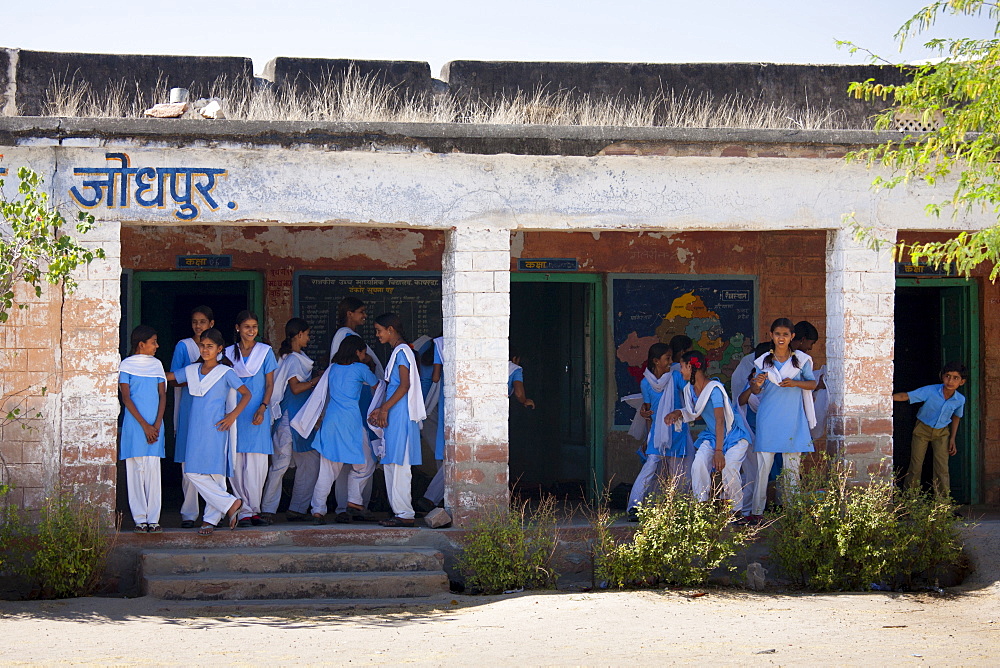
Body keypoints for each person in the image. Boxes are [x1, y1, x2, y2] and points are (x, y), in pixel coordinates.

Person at [740, 318, 817, 520]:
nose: (781, 338)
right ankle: (757, 512)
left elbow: (812, 384)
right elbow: (756, 390)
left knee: (792, 466)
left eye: (785, 334)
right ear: (771, 336)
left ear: (792, 337)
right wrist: (757, 383)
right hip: (768, 418)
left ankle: (793, 513)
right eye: (777, 334)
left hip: (793, 417)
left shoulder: (800, 360)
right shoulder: (763, 361)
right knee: (763, 467)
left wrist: (795, 383)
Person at [179, 328, 251, 535]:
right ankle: (230, 503)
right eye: (202, 345)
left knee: (216, 474)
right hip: (196, 429)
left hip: (218, 428)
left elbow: (246, 394)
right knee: (192, 471)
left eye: (210, 346)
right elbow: (169, 377)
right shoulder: (192, 371)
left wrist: (232, 416)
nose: (205, 349)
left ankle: (210, 520)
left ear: (220, 349)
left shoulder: (226, 372)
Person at [666, 349, 753, 514]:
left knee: (729, 468)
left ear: (692, 368)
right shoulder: (690, 390)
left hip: (733, 435)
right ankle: (702, 507)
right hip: (713, 435)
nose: (681, 371)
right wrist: (677, 413)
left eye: (683, 367)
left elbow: (720, 420)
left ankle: (736, 511)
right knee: (698, 464)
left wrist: (719, 451)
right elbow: (697, 414)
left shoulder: (714, 389)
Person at [310, 335, 381, 523]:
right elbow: (378, 387)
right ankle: (354, 501)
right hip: (351, 422)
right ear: (357, 352)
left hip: (331, 421)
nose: (365, 356)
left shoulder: (332, 369)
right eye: (364, 353)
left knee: (327, 471)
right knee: (366, 464)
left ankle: (317, 511)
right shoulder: (361, 369)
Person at [368, 313, 426, 527]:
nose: (377, 335)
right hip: (394, 413)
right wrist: (381, 409)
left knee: (399, 464)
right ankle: (399, 512)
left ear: (390, 329)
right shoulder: (399, 352)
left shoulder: (402, 352)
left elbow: (403, 386)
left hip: (400, 414)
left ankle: (404, 513)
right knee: (391, 461)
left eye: (379, 330)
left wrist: (384, 408)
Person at [261, 318, 321, 523]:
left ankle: (297, 508)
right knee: (281, 464)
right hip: (288, 418)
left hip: (300, 419)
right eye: (307, 334)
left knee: (309, 460)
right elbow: (295, 388)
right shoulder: (293, 360)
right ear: (299, 335)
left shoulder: (298, 357)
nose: (309, 338)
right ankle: (267, 510)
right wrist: (316, 381)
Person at [328, 297, 384, 519]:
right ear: (349, 313)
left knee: (349, 461)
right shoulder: (346, 337)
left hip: (351, 408)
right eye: (361, 312)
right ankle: (351, 505)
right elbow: (371, 373)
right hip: (358, 405)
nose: (364, 316)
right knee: (362, 459)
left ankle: (349, 506)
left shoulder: (347, 336)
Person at [225, 310, 277, 527]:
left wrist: (263, 407)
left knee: (256, 464)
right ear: (238, 328)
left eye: (254, 326)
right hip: (235, 411)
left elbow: (270, 384)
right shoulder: (227, 353)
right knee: (236, 462)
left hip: (257, 411)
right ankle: (242, 511)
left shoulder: (265, 352)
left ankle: (253, 509)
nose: (251, 331)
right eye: (247, 327)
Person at [625, 342, 685, 522]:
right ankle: (634, 507)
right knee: (650, 465)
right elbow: (649, 412)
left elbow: (689, 392)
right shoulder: (646, 383)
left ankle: (677, 506)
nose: (671, 361)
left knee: (677, 469)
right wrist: (649, 436)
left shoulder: (675, 377)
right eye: (667, 358)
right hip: (658, 432)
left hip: (677, 429)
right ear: (656, 361)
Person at [118, 325, 167, 533]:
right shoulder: (126, 366)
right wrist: (146, 426)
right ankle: (140, 520)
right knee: (136, 472)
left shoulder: (157, 365)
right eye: (153, 342)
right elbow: (126, 398)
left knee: (153, 472)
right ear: (141, 344)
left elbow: (163, 395)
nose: (157, 346)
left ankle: (153, 520)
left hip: (155, 425)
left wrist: (156, 425)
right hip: (136, 426)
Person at [169, 305, 214, 528]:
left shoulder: (218, 349)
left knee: (210, 463)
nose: (198, 326)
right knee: (188, 463)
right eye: (195, 321)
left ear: (211, 324)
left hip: (211, 411)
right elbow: (175, 377)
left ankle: (213, 513)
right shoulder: (183, 346)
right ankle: (189, 513)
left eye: (203, 322)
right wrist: (197, 375)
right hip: (188, 407)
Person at [894, 362, 968, 497]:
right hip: (922, 429)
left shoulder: (960, 400)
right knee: (916, 465)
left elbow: (957, 417)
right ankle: (910, 501)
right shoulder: (931, 390)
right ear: (942, 376)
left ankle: (942, 505)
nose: (950, 381)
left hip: (942, 433)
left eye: (955, 378)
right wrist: (884, 399)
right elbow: (907, 396)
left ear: (962, 382)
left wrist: (952, 438)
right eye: (947, 376)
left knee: (942, 468)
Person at [732, 341, 773, 518]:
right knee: (752, 473)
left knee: (765, 474)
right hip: (751, 433)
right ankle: (745, 509)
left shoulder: (776, 380)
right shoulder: (753, 379)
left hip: (769, 434)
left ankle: (756, 508)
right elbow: (741, 401)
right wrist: (752, 386)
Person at [416, 335, 447, 514]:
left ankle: (437, 498)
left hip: (422, 406)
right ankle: (431, 498)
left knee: (441, 456)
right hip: (434, 405)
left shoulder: (423, 345)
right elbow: (436, 377)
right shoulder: (440, 346)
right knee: (448, 458)